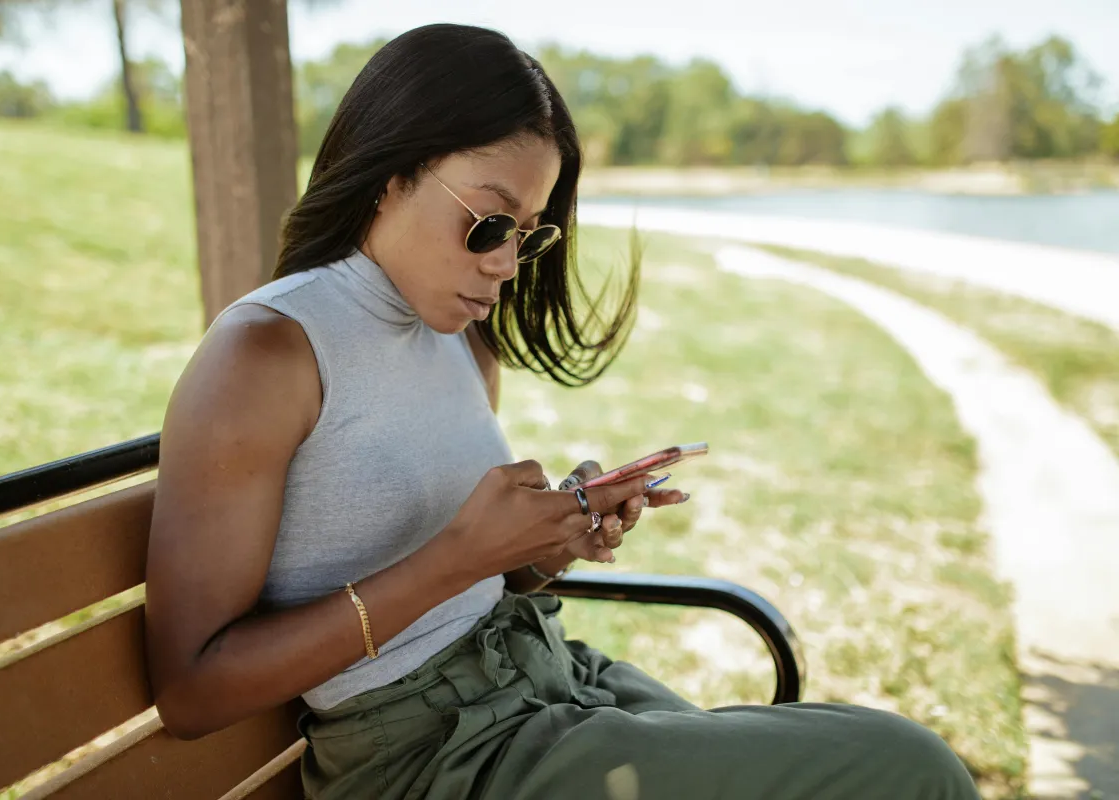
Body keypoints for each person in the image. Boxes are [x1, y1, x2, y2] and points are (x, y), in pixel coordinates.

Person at [143, 22, 980, 800]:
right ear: (393, 174)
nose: (506, 264)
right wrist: (461, 557)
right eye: (488, 223)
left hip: (549, 688)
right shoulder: (270, 353)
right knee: (914, 771)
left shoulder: (462, 343)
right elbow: (191, 691)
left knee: (875, 762)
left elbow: (481, 585)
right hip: (432, 764)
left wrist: (548, 545)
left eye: (529, 233)